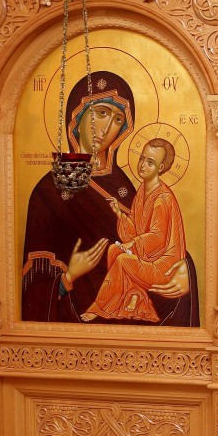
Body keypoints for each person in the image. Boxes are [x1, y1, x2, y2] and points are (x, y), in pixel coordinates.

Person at [22, 71, 198, 326]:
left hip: (134, 307)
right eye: (101, 112)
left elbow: (155, 240)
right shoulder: (49, 190)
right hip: (75, 322)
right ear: (77, 115)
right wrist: (68, 277)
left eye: (117, 119)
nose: (106, 128)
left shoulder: (125, 186)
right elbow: (32, 290)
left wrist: (185, 270)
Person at [81, 138, 188, 322]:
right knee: (114, 250)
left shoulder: (162, 199)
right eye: (142, 159)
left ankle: (100, 307)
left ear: (161, 168)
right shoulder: (142, 192)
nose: (142, 165)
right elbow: (135, 228)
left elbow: (158, 238)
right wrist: (119, 213)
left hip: (163, 265)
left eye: (150, 162)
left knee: (123, 259)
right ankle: (134, 294)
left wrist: (132, 243)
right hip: (147, 256)